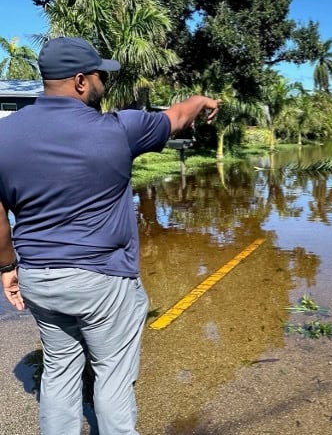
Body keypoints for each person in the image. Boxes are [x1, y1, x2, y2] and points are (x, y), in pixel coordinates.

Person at [0, 36, 219, 435]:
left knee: (59, 370)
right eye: (101, 75)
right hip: (102, 281)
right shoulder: (119, 129)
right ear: (81, 81)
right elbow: (177, 117)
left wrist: (7, 267)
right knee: (113, 377)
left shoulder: (2, 135)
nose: (105, 82)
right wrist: (202, 99)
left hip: (39, 278)